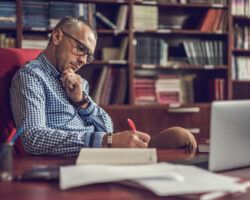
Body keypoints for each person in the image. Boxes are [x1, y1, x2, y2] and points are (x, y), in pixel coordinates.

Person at [10, 16, 197, 156]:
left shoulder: (75, 81)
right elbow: (33, 139)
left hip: (100, 151)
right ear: (57, 36)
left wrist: (81, 101)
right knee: (178, 143)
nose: (83, 60)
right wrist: (106, 141)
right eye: (80, 48)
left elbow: (106, 126)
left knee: (182, 139)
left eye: (88, 55)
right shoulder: (31, 77)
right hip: (76, 160)